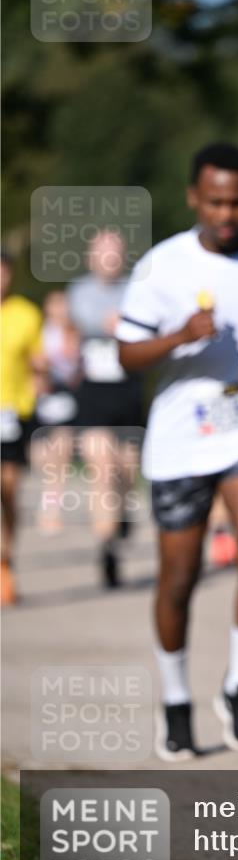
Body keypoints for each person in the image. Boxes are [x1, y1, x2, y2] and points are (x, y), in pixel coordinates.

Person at [116, 142, 238, 761]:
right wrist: (180, 337)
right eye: (216, 201)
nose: (228, 213)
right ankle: (176, 700)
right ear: (194, 198)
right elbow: (126, 353)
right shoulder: (160, 267)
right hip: (181, 442)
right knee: (178, 579)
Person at [67, 230, 144, 588]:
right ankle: (107, 545)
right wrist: (118, 324)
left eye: (115, 252)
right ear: (91, 257)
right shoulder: (80, 291)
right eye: (103, 252)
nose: (109, 259)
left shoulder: (135, 288)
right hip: (94, 393)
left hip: (127, 392)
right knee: (102, 469)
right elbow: (90, 321)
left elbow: (143, 325)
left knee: (126, 473)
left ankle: (122, 516)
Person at [0, 252, 45, 605]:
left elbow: (39, 362)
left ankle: (6, 556)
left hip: (12, 412)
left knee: (9, 490)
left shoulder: (26, 315)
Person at [31, 290, 81, 534]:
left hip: (65, 398)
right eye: (56, 305)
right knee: (41, 458)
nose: (61, 310)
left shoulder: (74, 333)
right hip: (41, 399)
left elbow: (80, 368)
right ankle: (46, 499)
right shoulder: (39, 333)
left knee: (59, 459)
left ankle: (51, 509)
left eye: (64, 305)